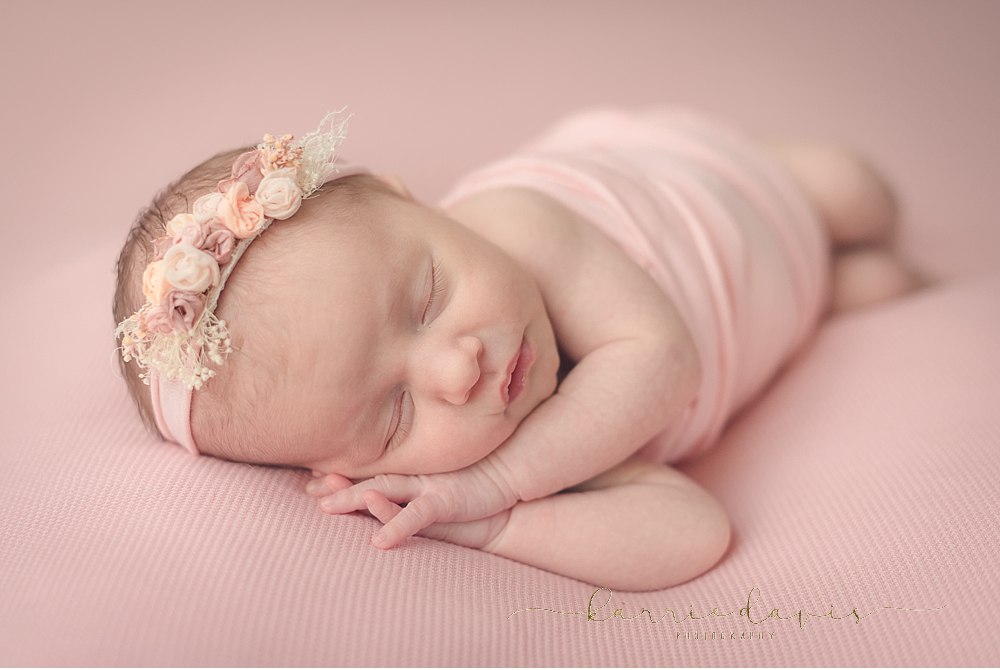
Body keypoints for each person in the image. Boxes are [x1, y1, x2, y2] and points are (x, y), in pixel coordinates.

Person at [113, 107, 926, 591]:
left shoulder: (520, 225)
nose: (455, 368)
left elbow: (661, 360)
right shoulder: (506, 442)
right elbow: (693, 532)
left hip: (729, 187)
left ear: (414, 202)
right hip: (771, 301)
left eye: (425, 297)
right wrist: (492, 526)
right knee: (880, 288)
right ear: (345, 473)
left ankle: (812, 226)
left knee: (853, 191)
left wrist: (501, 481)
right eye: (394, 416)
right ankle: (816, 296)